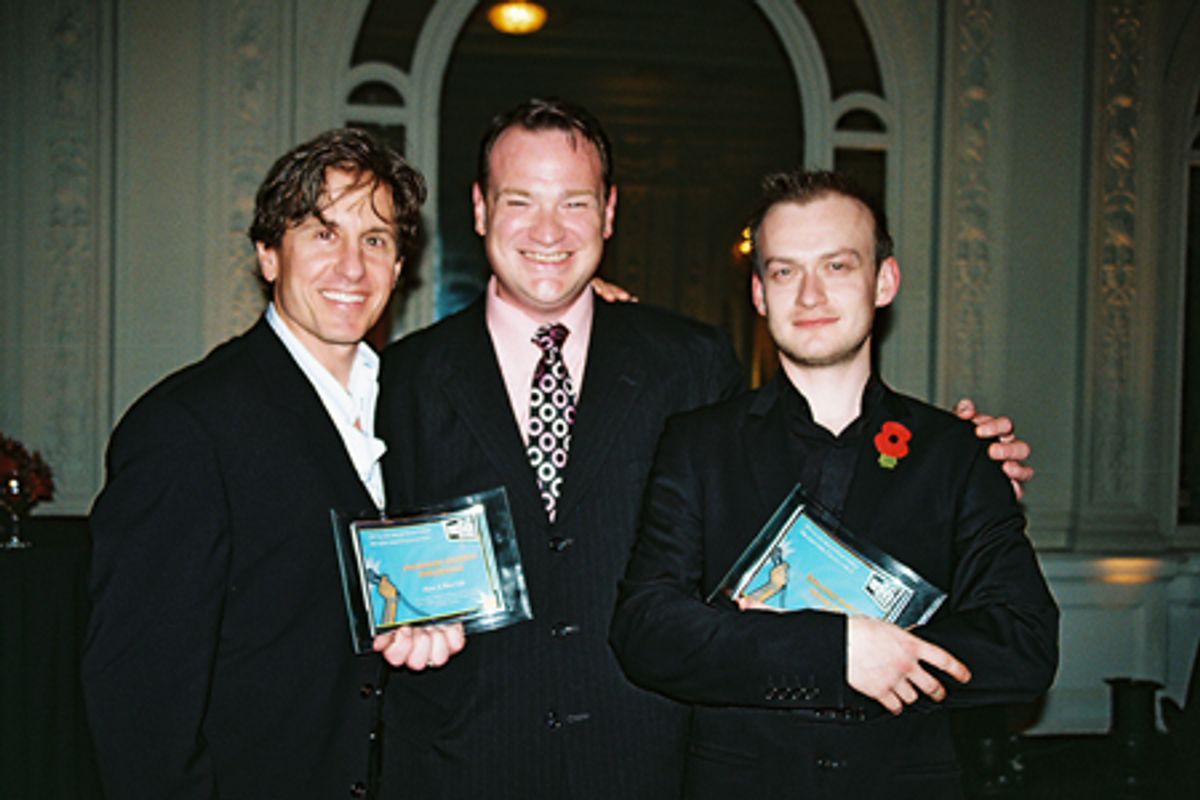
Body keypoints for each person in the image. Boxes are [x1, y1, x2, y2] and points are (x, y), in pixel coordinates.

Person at [374, 98, 1033, 799]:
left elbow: (782, 521)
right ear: (479, 209)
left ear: (609, 213)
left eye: (574, 202)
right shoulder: (402, 377)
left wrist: (962, 473)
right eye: (519, 201)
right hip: (464, 762)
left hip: (651, 763)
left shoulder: (688, 361)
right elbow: (370, 566)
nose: (547, 231)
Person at [609, 169, 1059, 799]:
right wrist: (836, 652)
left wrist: (889, 655)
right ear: (760, 293)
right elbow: (647, 629)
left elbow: (1025, 646)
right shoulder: (697, 444)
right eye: (786, 271)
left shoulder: (957, 452)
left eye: (838, 266)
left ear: (885, 281)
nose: (811, 295)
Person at [82, 128, 463, 800]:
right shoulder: (187, 427)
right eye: (322, 234)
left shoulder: (412, 406)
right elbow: (139, 699)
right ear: (267, 254)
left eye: (375, 240)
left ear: (401, 266)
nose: (352, 268)